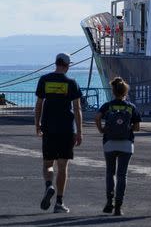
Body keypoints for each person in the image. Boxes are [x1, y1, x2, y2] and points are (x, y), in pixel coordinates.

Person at [34, 53, 83, 213]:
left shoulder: (44, 80)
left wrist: (37, 124)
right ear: (67, 65)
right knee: (62, 166)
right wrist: (79, 132)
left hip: (49, 128)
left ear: (56, 63)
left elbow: (39, 104)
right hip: (66, 129)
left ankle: (49, 185)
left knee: (48, 164)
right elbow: (77, 109)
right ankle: (59, 203)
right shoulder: (71, 83)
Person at [94, 77, 141, 216]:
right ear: (125, 92)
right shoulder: (131, 107)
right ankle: (119, 207)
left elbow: (97, 117)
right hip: (126, 143)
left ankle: (109, 202)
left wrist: (101, 129)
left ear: (113, 91)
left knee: (110, 172)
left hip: (109, 142)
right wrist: (128, 127)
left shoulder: (108, 106)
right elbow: (137, 127)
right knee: (122, 175)